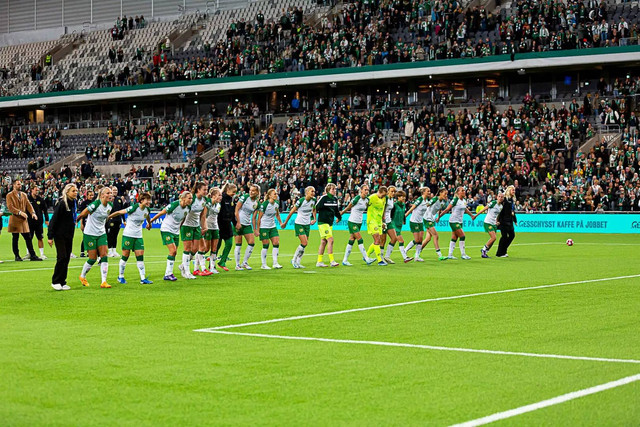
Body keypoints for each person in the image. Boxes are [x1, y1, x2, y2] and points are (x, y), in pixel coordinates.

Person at [108, 192, 153, 284]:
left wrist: (149, 224)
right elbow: (120, 212)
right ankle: (120, 276)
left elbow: (147, 216)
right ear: (141, 200)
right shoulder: (134, 207)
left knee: (140, 256)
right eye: (147, 200)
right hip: (128, 234)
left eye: (149, 199)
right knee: (125, 256)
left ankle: (143, 278)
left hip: (138, 236)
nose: (149, 201)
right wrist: (108, 217)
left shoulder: (147, 209)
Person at [149, 191, 192, 281]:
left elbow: (183, 218)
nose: (191, 200)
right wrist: (150, 222)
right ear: (183, 198)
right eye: (189, 198)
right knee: (173, 251)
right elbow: (161, 213)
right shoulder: (175, 204)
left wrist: (179, 228)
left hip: (175, 231)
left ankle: (168, 274)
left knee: (174, 252)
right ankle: (168, 273)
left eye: (191, 198)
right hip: (166, 229)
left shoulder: (188, 208)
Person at [76, 187, 114, 288]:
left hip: (101, 233)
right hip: (90, 234)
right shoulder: (96, 204)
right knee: (92, 258)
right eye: (107, 193)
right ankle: (82, 276)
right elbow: (84, 212)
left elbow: (105, 218)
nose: (110, 194)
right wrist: (77, 220)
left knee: (104, 255)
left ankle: (104, 281)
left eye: (111, 193)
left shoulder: (110, 205)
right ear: (101, 195)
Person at [47, 184, 78, 291]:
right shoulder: (62, 203)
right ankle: (55, 281)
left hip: (69, 235)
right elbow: (54, 220)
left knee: (67, 258)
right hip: (59, 234)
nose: (75, 192)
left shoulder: (74, 203)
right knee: (62, 257)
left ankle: (62, 281)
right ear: (67, 192)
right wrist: (50, 236)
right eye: (73, 191)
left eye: (76, 190)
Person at [6, 179, 42, 262]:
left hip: (23, 220)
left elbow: (28, 205)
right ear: (14, 185)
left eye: (20, 184)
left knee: (28, 238)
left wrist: (33, 213)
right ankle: (17, 255)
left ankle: (32, 255)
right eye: (18, 184)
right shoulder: (9, 195)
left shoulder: (24, 195)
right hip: (15, 219)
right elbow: (10, 207)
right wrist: (20, 212)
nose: (20, 185)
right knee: (15, 238)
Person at [282, 186, 316, 269]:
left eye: (314, 191)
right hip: (299, 223)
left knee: (304, 244)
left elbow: (314, 209)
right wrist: (285, 222)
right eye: (312, 191)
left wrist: (314, 218)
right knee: (304, 242)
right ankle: (294, 260)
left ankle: (298, 262)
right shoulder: (301, 201)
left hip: (307, 224)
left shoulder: (313, 200)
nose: (313, 193)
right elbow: (291, 212)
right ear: (307, 192)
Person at [437, 186, 474, 260]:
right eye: (462, 190)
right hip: (454, 221)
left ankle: (450, 254)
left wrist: (471, 215)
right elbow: (447, 209)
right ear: (458, 192)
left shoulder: (463, 200)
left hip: (460, 221)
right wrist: (439, 217)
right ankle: (463, 254)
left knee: (454, 237)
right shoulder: (455, 199)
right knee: (462, 236)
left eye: (464, 190)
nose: (464, 191)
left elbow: (465, 209)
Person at [180, 182, 208, 278]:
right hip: (187, 225)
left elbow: (203, 215)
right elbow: (183, 211)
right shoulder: (192, 199)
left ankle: (183, 265)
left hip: (196, 227)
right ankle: (187, 272)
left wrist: (204, 226)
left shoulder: (205, 200)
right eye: (204, 190)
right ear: (198, 190)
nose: (206, 191)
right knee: (187, 249)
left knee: (195, 249)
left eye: (206, 190)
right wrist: (179, 225)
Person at [339, 184, 369, 266]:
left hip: (359, 222)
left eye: (367, 190)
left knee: (352, 239)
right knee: (360, 239)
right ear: (361, 190)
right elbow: (348, 207)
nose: (367, 191)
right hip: (352, 221)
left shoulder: (367, 200)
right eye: (365, 189)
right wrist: (341, 214)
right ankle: (366, 258)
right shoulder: (357, 198)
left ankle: (345, 260)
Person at [234, 184, 260, 271]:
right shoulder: (245, 197)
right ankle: (237, 265)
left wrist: (255, 229)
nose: (251, 192)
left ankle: (244, 262)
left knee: (251, 242)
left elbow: (254, 217)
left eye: (253, 191)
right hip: (239, 222)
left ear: (257, 192)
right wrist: (237, 222)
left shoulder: (257, 203)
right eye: (250, 190)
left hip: (247, 224)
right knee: (238, 243)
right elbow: (236, 209)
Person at [256, 188, 284, 269]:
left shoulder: (276, 204)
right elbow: (259, 218)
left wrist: (281, 223)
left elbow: (277, 214)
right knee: (266, 245)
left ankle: (275, 263)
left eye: (276, 194)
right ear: (269, 196)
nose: (276, 195)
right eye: (274, 194)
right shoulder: (264, 204)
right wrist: (257, 230)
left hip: (272, 226)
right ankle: (263, 264)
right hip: (264, 226)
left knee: (276, 243)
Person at [315, 183, 341, 267]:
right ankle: (332, 261)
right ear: (328, 190)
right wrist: (313, 218)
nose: (335, 191)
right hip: (322, 222)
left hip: (330, 223)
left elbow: (336, 210)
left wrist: (339, 217)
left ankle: (319, 261)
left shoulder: (335, 199)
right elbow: (315, 208)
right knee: (331, 240)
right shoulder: (324, 198)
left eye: (335, 189)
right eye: (333, 189)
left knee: (323, 242)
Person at [403, 187, 431, 262]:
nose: (429, 192)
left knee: (420, 239)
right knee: (417, 239)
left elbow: (427, 205)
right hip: (414, 221)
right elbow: (412, 208)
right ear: (423, 192)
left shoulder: (426, 200)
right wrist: (404, 216)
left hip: (420, 222)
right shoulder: (419, 199)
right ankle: (405, 250)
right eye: (428, 191)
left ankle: (417, 256)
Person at [384, 190, 412, 262]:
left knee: (394, 240)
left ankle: (387, 256)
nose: (404, 198)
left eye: (404, 197)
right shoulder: (394, 205)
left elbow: (403, 213)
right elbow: (390, 214)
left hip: (399, 226)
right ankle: (405, 257)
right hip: (393, 225)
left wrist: (404, 220)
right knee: (401, 241)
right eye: (402, 197)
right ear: (398, 197)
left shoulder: (403, 205)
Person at [421, 188, 449, 260]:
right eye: (444, 194)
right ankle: (439, 255)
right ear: (440, 193)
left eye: (446, 194)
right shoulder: (435, 199)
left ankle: (417, 252)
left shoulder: (442, 202)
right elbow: (428, 204)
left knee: (428, 239)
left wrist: (438, 217)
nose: (446, 195)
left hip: (432, 219)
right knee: (435, 235)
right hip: (427, 219)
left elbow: (439, 209)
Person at [474, 192, 504, 258]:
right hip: (488, 222)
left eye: (502, 197)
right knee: (493, 237)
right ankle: (483, 249)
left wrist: (496, 221)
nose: (500, 198)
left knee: (493, 239)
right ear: (497, 197)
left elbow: (496, 215)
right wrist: (475, 215)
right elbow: (484, 209)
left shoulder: (501, 206)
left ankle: (485, 252)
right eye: (499, 196)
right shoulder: (493, 203)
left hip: (493, 224)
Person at [365, 186, 388, 266]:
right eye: (383, 194)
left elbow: (383, 209)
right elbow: (364, 204)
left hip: (379, 222)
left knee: (377, 240)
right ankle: (379, 260)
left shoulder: (384, 199)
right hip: (372, 221)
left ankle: (366, 256)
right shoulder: (371, 198)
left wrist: (383, 221)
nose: (384, 196)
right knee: (377, 239)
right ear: (380, 191)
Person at [216, 183, 237, 272]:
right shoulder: (221, 198)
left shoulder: (231, 200)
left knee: (229, 243)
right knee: (217, 245)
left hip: (227, 225)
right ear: (227, 190)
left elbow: (232, 214)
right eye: (233, 192)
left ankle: (222, 262)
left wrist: (235, 224)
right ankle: (211, 264)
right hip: (219, 224)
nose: (234, 193)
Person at [28, 186, 49, 260]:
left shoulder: (41, 200)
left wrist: (47, 219)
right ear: (32, 190)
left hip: (39, 222)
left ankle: (42, 254)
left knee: (40, 238)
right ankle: (29, 253)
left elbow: (45, 210)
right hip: (29, 222)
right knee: (29, 238)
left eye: (38, 190)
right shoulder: (27, 199)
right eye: (36, 190)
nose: (37, 191)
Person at [204, 187, 222, 274]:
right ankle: (196, 261)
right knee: (206, 248)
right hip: (208, 227)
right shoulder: (207, 203)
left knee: (214, 248)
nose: (221, 197)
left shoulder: (218, 204)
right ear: (213, 196)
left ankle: (212, 267)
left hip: (215, 227)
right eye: (219, 195)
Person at [496, 186, 517, 258]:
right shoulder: (505, 199)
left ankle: (503, 250)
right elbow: (500, 211)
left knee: (512, 235)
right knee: (504, 237)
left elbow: (512, 211)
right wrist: (497, 220)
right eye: (512, 190)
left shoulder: (512, 200)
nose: (514, 191)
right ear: (509, 190)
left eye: (514, 190)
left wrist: (515, 220)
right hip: (503, 221)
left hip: (509, 221)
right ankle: (500, 252)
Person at [106, 186, 127, 258]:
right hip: (111, 220)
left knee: (115, 235)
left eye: (116, 190)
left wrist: (124, 220)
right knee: (110, 235)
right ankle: (109, 251)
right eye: (113, 190)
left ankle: (114, 250)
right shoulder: (109, 199)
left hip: (118, 220)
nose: (115, 192)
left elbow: (122, 210)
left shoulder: (119, 199)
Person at [381, 186, 396, 263]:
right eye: (392, 191)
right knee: (383, 240)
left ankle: (387, 256)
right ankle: (380, 257)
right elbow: (382, 209)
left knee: (394, 238)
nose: (393, 193)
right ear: (388, 192)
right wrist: (382, 221)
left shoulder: (392, 199)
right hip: (383, 221)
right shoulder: (385, 198)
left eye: (394, 192)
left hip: (389, 221)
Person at [78, 189, 95, 258]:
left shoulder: (94, 203)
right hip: (85, 221)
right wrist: (81, 224)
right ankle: (82, 251)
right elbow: (82, 214)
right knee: (86, 237)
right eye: (90, 195)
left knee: (91, 237)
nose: (91, 196)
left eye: (92, 195)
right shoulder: (84, 203)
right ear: (87, 196)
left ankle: (89, 251)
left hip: (92, 222)